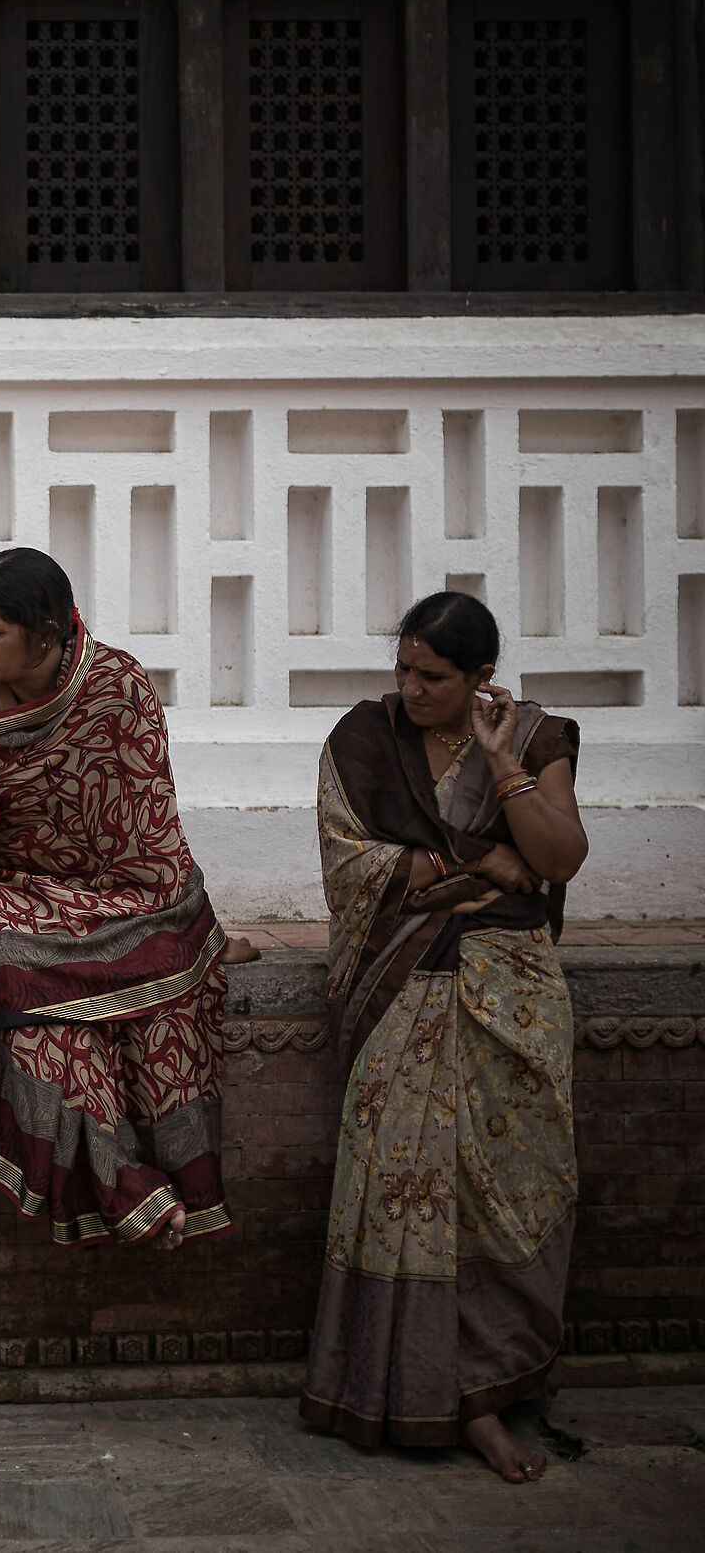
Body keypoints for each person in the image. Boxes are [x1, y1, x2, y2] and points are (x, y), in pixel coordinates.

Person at [0, 547, 236, 1250]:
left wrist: (183, 921)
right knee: (4, 975)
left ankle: (150, 1183)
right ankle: (126, 1187)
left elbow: (148, 820)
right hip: (12, 893)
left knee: (161, 1009)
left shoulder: (118, 685)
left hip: (119, 897)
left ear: (47, 633)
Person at [299, 590, 586, 1484]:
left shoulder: (535, 738)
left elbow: (560, 857)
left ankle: (487, 1402)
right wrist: (481, 861)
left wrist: (503, 771)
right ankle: (399, 1388)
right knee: (399, 1186)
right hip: (404, 988)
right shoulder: (363, 740)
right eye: (405, 670)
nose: (411, 688)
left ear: (481, 678)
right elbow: (352, 859)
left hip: (512, 995)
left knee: (508, 1188)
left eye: (433, 676)